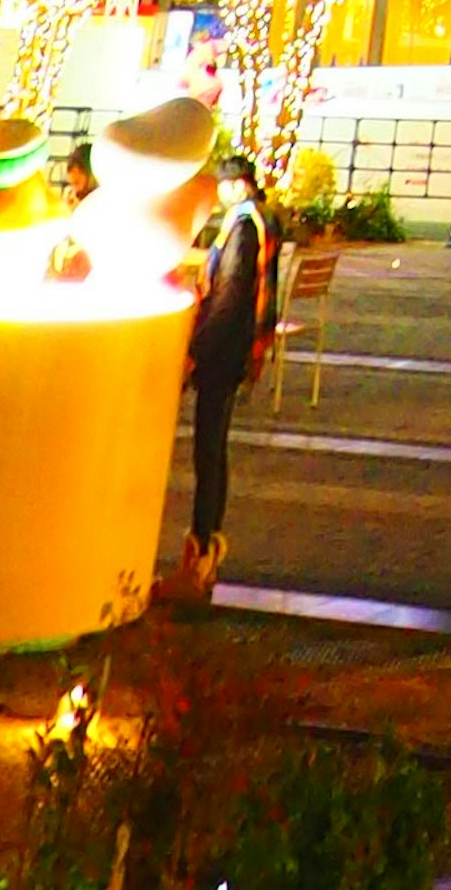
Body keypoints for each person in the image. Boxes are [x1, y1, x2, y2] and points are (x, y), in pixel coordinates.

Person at [176, 148, 276, 600]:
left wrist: (196, 352)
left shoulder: (241, 229)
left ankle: (202, 548)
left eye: (221, 185)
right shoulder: (257, 222)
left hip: (223, 353)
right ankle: (206, 541)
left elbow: (230, 295)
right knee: (214, 449)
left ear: (238, 185)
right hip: (235, 351)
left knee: (209, 449)